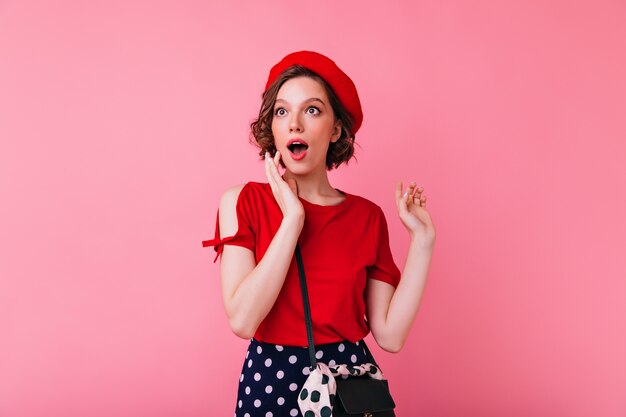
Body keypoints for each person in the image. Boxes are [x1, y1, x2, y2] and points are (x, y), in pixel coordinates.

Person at [202, 50, 436, 417]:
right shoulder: (242, 201)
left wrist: (423, 242)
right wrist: (292, 220)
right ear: (272, 128)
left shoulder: (366, 217)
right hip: (270, 385)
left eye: (311, 110)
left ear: (336, 129)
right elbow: (243, 320)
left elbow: (390, 335)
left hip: (349, 389)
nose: (294, 123)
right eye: (281, 111)